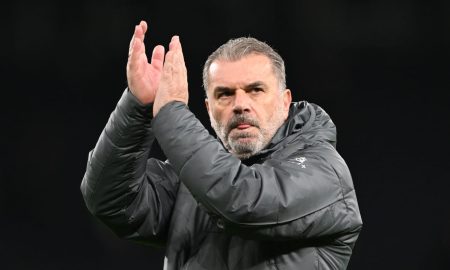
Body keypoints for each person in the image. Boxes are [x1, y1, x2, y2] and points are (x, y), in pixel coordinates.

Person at [81, 20, 362, 270]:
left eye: (255, 90)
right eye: (224, 94)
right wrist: (138, 106)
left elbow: (243, 201)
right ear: (208, 108)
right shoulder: (192, 178)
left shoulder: (325, 173)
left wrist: (172, 113)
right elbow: (111, 200)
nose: (240, 104)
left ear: (285, 101)